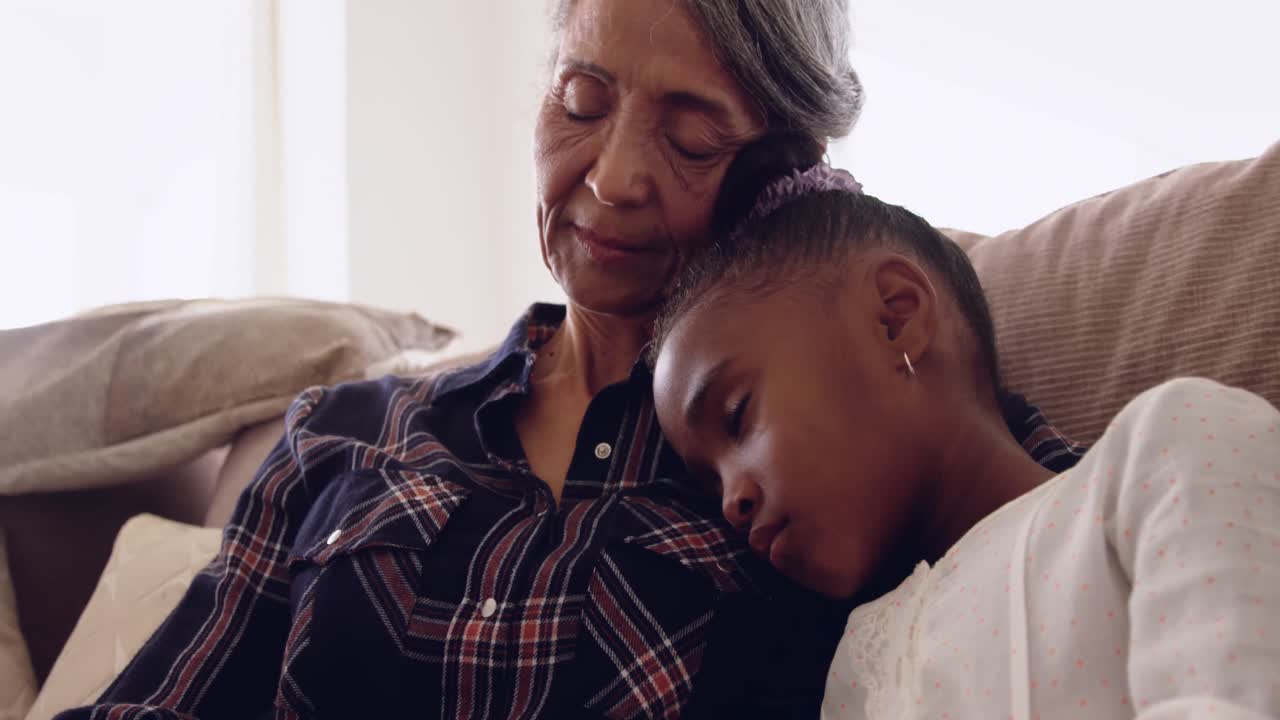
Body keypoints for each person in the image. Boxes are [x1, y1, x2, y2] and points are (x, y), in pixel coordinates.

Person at [57, 2, 1078, 718]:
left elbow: (1074, 548)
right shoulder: (344, 432)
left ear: (782, 172)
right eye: (582, 101)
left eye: (691, 139)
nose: (614, 177)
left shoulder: (839, 429)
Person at [648, 146, 1280, 718]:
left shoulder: (1167, 446)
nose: (731, 502)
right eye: (711, 482)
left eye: (738, 415)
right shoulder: (857, 663)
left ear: (895, 319)